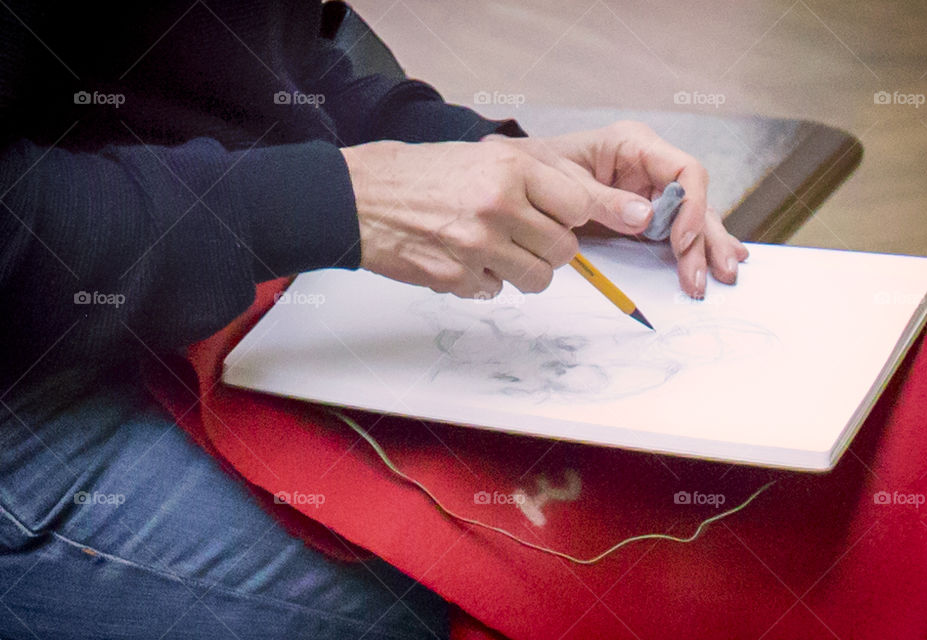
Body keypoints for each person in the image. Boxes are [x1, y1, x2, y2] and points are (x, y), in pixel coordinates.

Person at [0, 2, 748, 638]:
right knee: (430, 594)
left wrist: (492, 161)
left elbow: (259, 62)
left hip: (173, 245)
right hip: (25, 380)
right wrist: (342, 201)